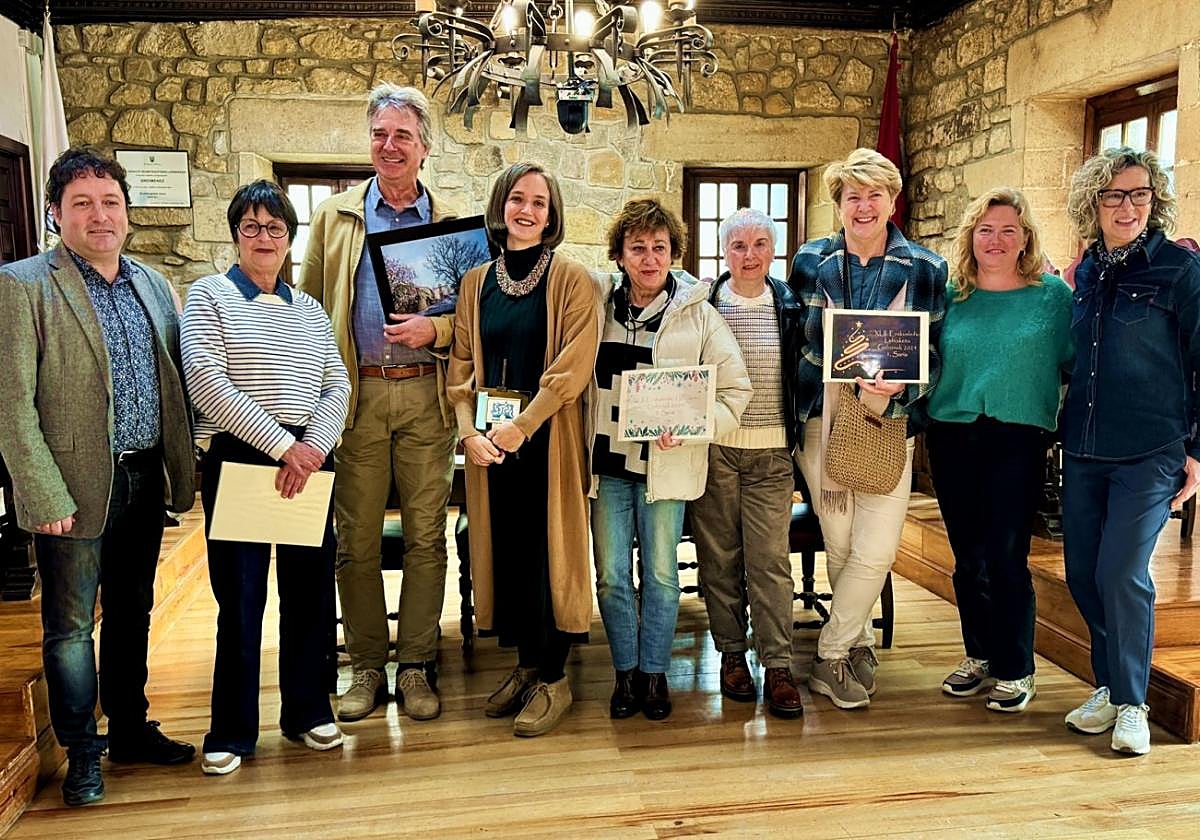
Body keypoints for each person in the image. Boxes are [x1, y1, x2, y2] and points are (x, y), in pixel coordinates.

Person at [0, 147, 196, 806]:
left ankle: (132, 727)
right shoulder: (24, 285)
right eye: (82, 203)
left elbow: (176, 382)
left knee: (133, 612)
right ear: (56, 213)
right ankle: (84, 751)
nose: (99, 215)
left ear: (127, 214)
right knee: (70, 628)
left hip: (141, 479)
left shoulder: (152, 284)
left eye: (110, 202)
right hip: (72, 488)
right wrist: (41, 491)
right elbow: (10, 404)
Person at [297, 84, 459, 723]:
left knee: (426, 537)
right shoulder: (335, 218)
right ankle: (366, 665)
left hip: (426, 394)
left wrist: (436, 331)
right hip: (353, 396)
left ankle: (415, 664)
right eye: (379, 134)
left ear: (424, 147)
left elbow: (467, 319)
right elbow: (306, 311)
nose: (389, 146)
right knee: (355, 540)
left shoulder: (450, 222)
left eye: (402, 136)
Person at [181, 181, 351, 775]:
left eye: (275, 228)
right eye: (251, 227)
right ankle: (230, 729)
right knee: (242, 598)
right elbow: (204, 378)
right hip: (242, 459)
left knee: (308, 593)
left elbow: (336, 384)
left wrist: (313, 446)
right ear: (235, 234)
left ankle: (307, 710)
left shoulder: (308, 310)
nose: (263, 238)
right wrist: (282, 446)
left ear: (289, 239)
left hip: (308, 461)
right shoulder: (208, 298)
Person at [788, 148, 946, 709]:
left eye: (874, 194)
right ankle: (853, 647)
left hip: (890, 419)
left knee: (876, 549)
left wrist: (904, 386)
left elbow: (935, 351)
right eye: (852, 195)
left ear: (892, 200)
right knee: (841, 541)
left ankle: (830, 653)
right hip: (821, 417)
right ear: (838, 203)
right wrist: (837, 363)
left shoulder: (927, 269)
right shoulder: (810, 260)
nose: (863, 205)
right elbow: (795, 343)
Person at [446, 162, 599, 737]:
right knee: (506, 554)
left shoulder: (571, 279)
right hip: (490, 445)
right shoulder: (474, 283)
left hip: (545, 441)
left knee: (546, 556)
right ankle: (527, 665)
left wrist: (522, 427)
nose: (527, 210)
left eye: (539, 201)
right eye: (517, 198)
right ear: (501, 206)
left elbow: (571, 369)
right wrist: (470, 433)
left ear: (552, 213)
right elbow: (460, 367)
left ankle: (555, 678)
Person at [1059, 147, 1200, 755]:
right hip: (1085, 446)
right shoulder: (1086, 270)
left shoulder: (1179, 269)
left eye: (1139, 193)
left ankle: (1134, 703)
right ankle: (1112, 687)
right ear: (1094, 203)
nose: (1128, 205)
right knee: (1083, 572)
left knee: (1122, 571)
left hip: (1152, 447)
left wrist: (1198, 449)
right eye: (1114, 194)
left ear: (1155, 200)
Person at [588, 199, 750, 721]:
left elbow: (735, 393)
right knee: (612, 576)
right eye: (638, 248)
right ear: (619, 255)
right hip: (607, 464)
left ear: (674, 253)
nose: (649, 258)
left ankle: (655, 674)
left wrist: (691, 428)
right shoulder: (597, 307)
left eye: (660, 247)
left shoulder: (699, 315)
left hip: (668, 466)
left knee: (660, 575)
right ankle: (625, 672)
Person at [925, 187, 1072, 713]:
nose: (996, 239)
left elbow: (1078, 362)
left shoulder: (1053, 298)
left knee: (1008, 557)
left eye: (1009, 229)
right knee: (968, 558)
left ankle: (1016, 667)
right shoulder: (950, 296)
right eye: (986, 230)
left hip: (1017, 440)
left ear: (1026, 237)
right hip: (952, 434)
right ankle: (980, 655)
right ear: (971, 237)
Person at [690, 207, 804, 718]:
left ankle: (778, 664)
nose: (750, 255)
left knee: (770, 563)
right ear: (724, 252)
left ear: (773, 251)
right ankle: (732, 655)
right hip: (716, 451)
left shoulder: (793, 305)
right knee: (720, 559)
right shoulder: (702, 305)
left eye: (760, 244)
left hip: (774, 453)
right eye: (739, 245)